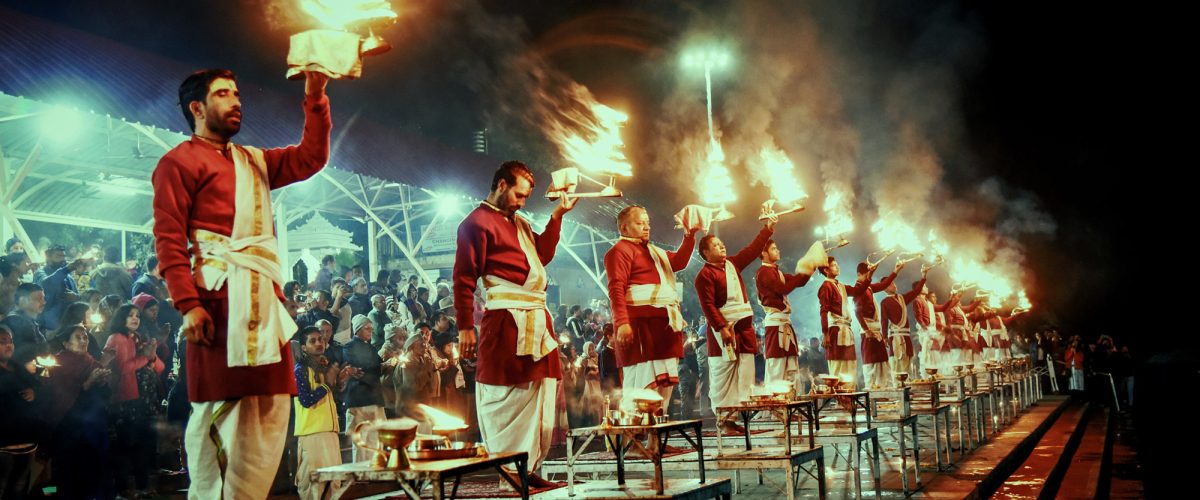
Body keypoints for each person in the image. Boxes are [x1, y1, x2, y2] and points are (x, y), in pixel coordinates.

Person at [151, 68, 331, 499]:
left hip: (266, 309)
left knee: (271, 413)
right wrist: (188, 305)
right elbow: (169, 238)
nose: (236, 101)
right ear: (197, 108)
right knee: (217, 418)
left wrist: (316, 92)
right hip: (217, 305)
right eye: (223, 94)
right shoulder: (178, 161)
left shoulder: (255, 161)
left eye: (237, 93)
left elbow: (311, 157)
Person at [452, 161, 576, 487]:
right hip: (505, 320)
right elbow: (464, 278)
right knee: (505, 397)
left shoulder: (518, 223)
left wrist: (558, 216)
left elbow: (542, 255)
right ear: (502, 185)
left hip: (535, 319)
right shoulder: (475, 223)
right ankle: (511, 471)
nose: (522, 203)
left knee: (536, 395)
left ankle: (528, 469)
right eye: (519, 195)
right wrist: (465, 325)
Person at [603, 205, 696, 414]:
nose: (646, 227)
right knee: (642, 385)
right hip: (640, 324)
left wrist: (689, 236)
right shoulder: (619, 251)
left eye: (647, 223)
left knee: (665, 384)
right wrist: (622, 323)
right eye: (639, 223)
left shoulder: (655, 252)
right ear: (624, 228)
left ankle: (655, 441)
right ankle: (635, 440)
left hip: (665, 323)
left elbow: (679, 262)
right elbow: (616, 288)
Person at [695, 216, 776, 434]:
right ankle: (724, 421)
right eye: (715, 245)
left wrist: (767, 230)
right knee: (724, 375)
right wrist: (721, 328)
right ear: (705, 253)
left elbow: (751, 251)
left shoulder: (732, 264)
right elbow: (708, 306)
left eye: (721, 244)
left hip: (744, 330)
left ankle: (738, 417)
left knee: (745, 374)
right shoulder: (704, 275)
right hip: (724, 333)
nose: (721, 246)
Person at [105, 304, 164, 499]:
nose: (135, 319)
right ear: (121, 317)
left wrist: (150, 356)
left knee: (141, 443)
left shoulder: (134, 338)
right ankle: (124, 488)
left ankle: (142, 485)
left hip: (139, 398)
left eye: (137, 315)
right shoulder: (116, 339)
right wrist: (145, 358)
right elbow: (123, 368)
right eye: (130, 315)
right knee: (124, 445)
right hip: (123, 398)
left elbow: (158, 366)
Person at [293, 326, 352, 500]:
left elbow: (330, 397)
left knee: (333, 482)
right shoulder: (300, 370)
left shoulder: (322, 368)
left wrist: (340, 382)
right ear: (303, 347)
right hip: (312, 434)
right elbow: (306, 400)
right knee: (314, 485)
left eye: (321, 339)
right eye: (313, 341)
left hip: (329, 431)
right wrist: (327, 384)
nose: (319, 343)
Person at [755, 239, 814, 389]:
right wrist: (806, 267)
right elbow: (784, 289)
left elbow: (797, 281)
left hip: (784, 323)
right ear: (764, 253)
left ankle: (791, 403)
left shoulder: (777, 272)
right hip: (775, 325)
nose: (778, 251)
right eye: (774, 248)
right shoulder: (763, 272)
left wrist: (810, 267)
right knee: (777, 365)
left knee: (791, 364)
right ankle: (777, 407)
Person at [880, 272, 929, 383]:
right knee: (897, 364)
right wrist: (884, 337)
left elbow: (916, 291)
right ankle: (898, 390)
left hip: (906, 336)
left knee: (908, 362)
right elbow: (884, 321)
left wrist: (923, 276)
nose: (894, 285)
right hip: (895, 337)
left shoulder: (902, 298)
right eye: (891, 284)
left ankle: (908, 389)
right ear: (885, 288)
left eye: (894, 283)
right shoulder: (884, 302)